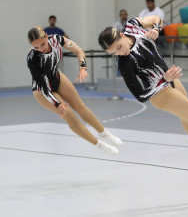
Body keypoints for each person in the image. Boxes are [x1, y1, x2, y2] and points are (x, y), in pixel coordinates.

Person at [98, 16, 188, 162]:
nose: (119, 53)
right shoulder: (124, 64)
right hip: (160, 93)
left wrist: (156, 29)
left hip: (171, 78)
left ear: (122, 35)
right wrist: (164, 80)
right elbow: (141, 96)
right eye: (113, 53)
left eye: (118, 47)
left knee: (187, 116)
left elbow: (157, 19)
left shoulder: (132, 25)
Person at [27, 26, 122, 156]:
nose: (41, 49)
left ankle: (105, 134)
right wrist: (58, 104)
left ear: (46, 36)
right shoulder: (32, 58)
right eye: (36, 47)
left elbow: (78, 50)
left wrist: (82, 67)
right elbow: (43, 86)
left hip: (56, 77)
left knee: (80, 105)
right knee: (70, 116)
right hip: (43, 91)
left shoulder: (57, 39)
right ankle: (100, 144)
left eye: (42, 44)